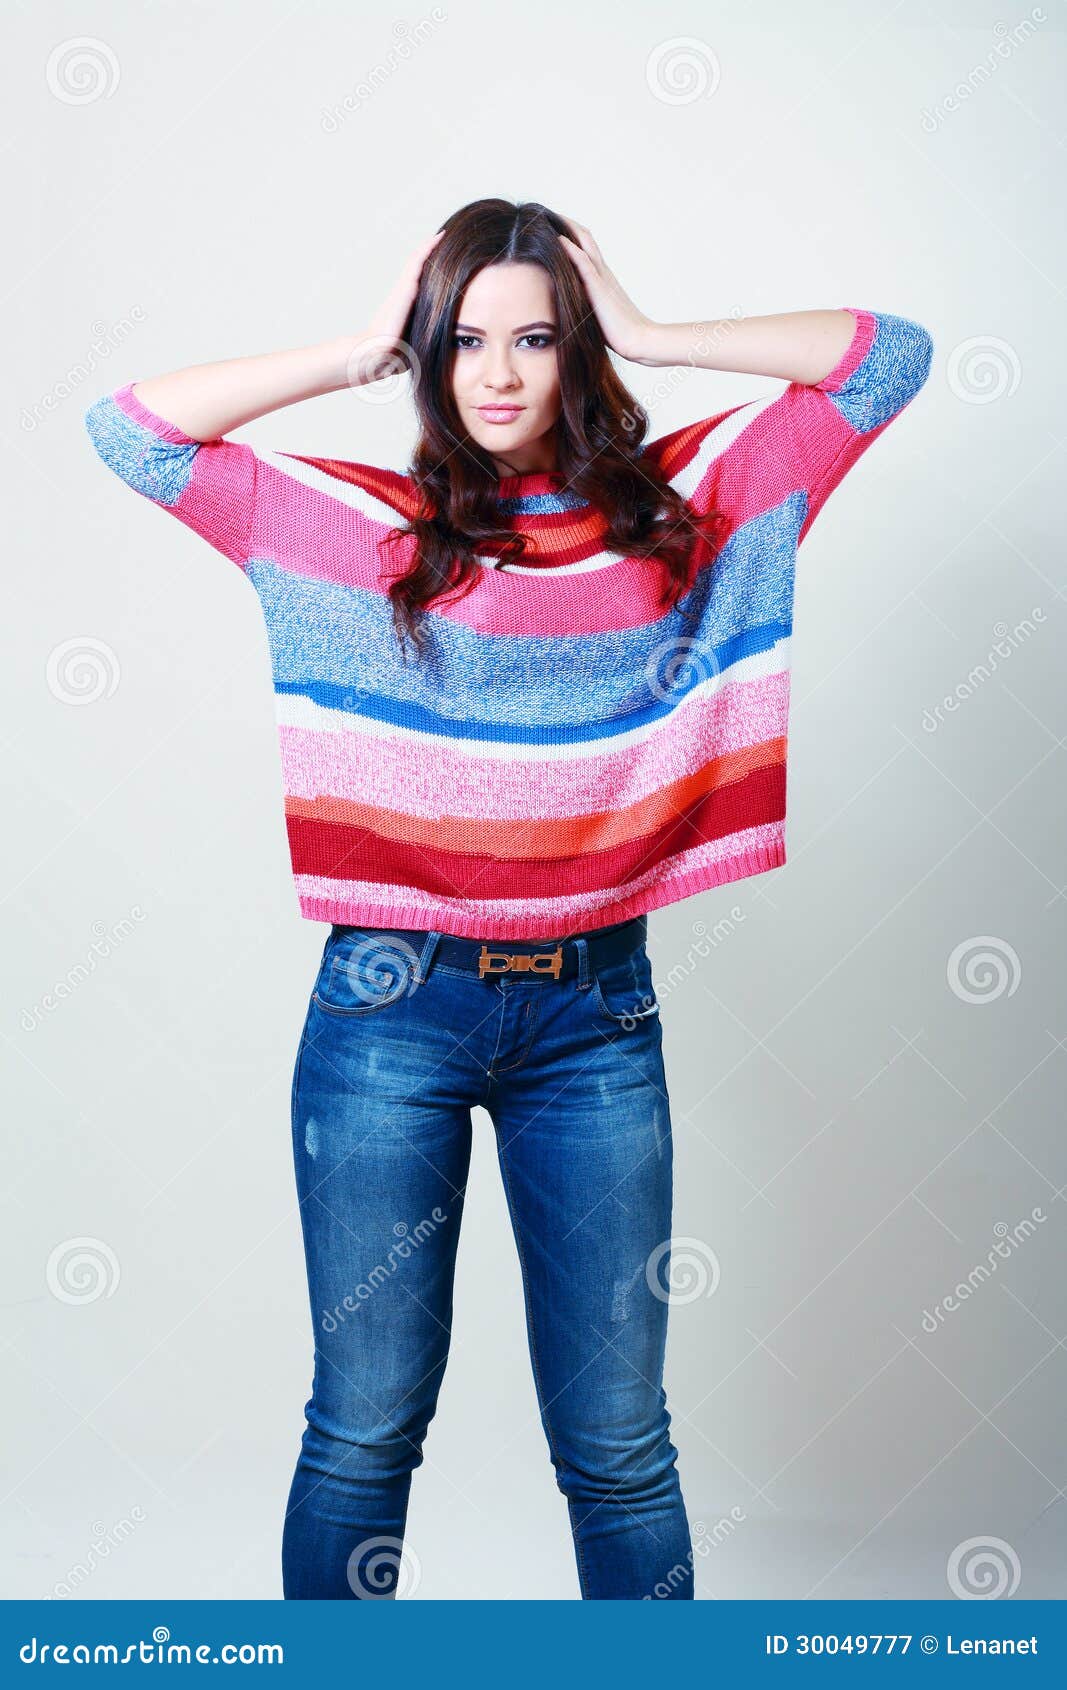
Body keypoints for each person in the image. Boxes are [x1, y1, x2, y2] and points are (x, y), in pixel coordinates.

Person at [84, 197, 933, 1600]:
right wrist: (357, 344)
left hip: (594, 1020)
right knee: (363, 1432)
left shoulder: (683, 513)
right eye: (462, 338)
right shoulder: (357, 527)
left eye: (535, 336)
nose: (497, 372)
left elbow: (888, 360)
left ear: (574, 349)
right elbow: (132, 431)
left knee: (618, 1449)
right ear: (428, 352)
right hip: (388, 1013)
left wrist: (657, 331)